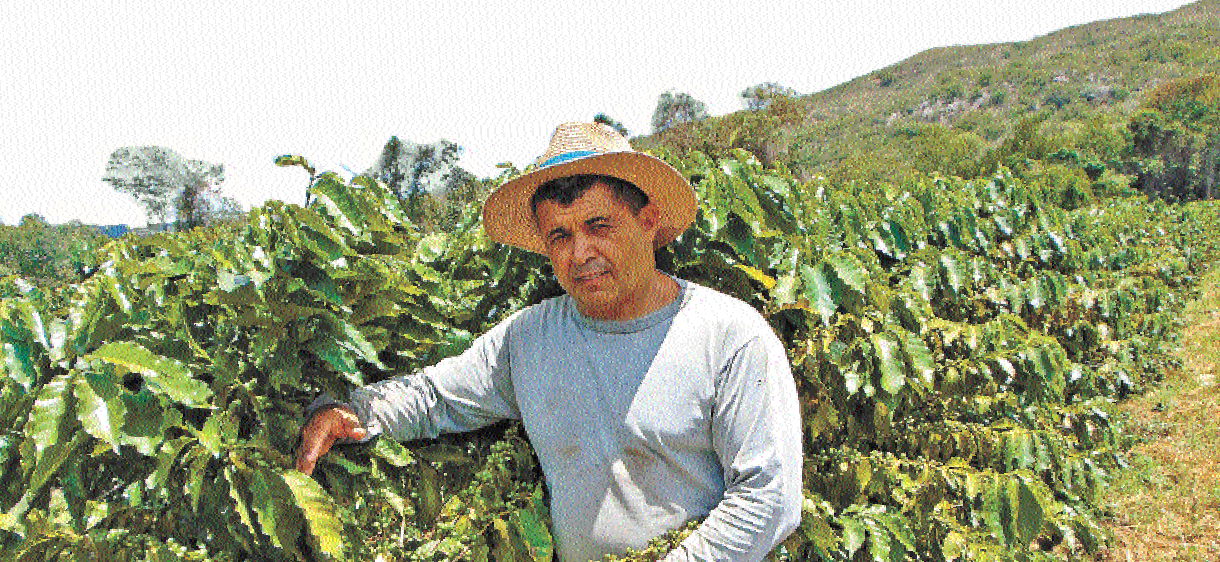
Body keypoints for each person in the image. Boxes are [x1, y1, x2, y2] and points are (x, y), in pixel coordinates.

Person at [296, 122, 802, 562]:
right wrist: (348, 412)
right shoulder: (531, 339)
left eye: (598, 225)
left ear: (647, 223)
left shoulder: (730, 337)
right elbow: (434, 398)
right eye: (560, 236)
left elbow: (768, 497)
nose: (581, 252)